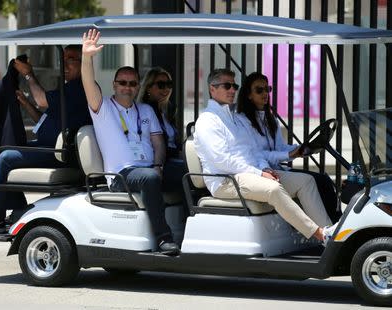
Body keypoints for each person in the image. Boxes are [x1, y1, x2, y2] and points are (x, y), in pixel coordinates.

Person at [194, 68, 334, 243]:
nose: (232, 90)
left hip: (246, 174)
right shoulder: (207, 120)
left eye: (234, 86)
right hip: (225, 180)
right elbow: (223, 161)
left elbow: (252, 151)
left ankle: (331, 237)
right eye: (227, 85)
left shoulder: (234, 118)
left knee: (306, 181)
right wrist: (260, 173)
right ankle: (318, 234)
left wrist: (264, 167)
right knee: (273, 189)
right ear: (212, 89)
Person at [81, 29, 180, 255]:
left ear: (138, 86)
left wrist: (158, 164)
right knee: (150, 178)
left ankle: (190, 229)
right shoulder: (102, 107)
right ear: (114, 85)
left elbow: (158, 143)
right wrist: (87, 58)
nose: (128, 87)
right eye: (122, 83)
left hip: (149, 169)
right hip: (121, 174)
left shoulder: (145, 109)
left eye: (132, 83)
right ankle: (164, 238)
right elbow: (88, 83)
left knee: (187, 173)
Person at [0, 45, 92, 233]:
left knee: (5, 157)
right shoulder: (70, 88)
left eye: (71, 60)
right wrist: (25, 103)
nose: (65, 65)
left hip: (63, 154)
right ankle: (19, 206)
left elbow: (42, 100)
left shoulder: (80, 88)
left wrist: (28, 75)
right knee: (8, 150)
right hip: (54, 148)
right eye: (64, 60)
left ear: (85, 62)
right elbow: (46, 119)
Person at [236, 72, 341, 222]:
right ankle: (329, 231)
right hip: (262, 171)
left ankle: (336, 224)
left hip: (278, 168)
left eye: (268, 89)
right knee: (315, 181)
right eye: (259, 90)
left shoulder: (270, 119)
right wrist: (290, 154)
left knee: (323, 179)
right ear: (248, 94)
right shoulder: (243, 121)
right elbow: (258, 154)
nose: (265, 93)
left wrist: (302, 148)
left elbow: (279, 147)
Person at [137, 67, 187, 200]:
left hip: (172, 161)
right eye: (161, 85)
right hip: (158, 164)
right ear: (148, 88)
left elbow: (175, 143)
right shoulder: (144, 111)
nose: (166, 89)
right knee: (189, 172)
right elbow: (154, 145)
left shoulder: (167, 110)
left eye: (169, 85)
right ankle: (189, 216)